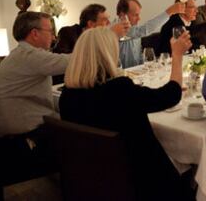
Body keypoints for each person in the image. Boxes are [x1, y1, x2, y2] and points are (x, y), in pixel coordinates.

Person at [59, 27, 192, 200]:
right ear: (108, 53)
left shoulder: (67, 96)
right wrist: (177, 56)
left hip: (92, 178)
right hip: (141, 179)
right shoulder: (118, 90)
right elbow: (170, 95)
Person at [0, 12, 69, 136]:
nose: (53, 37)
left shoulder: (18, 54)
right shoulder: (29, 55)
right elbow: (71, 62)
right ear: (35, 33)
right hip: (25, 136)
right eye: (50, 32)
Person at [116, 0, 186, 67]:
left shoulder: (133, 28)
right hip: (121, 75)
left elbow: (138, 57)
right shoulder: (117, 29)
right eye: (135, 15)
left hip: (136, 73)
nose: (139, 18)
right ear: (122, 15)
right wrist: (169, 12)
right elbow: (144, 30)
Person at [53, 4, 128, 54]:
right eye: (105, 20)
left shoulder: (102, 37)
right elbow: (65, 59)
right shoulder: (67, 33)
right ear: (91, 24)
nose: (109, 23)